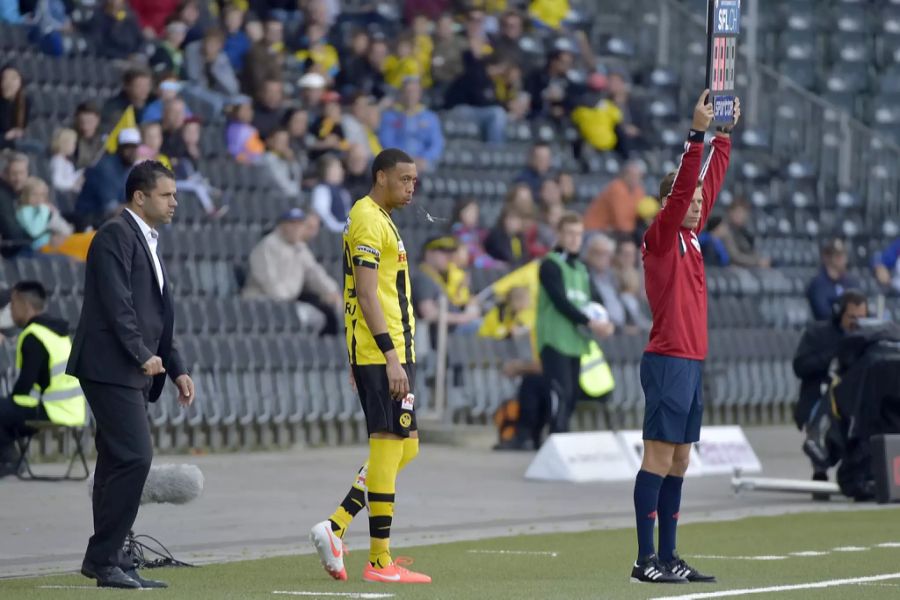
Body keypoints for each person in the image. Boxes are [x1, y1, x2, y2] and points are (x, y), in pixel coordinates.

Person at [68, 160, 194, 590]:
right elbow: (117, 304)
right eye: (166, 194)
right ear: (140, 197)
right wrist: (142, 353)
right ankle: (105, 556)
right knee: (136, 456)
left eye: (174, 194)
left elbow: (155, 313)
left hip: (132, 367)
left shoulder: (147, 239)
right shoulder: (114, 235)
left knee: (115, 462)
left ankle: (108, 556)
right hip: (110, 365)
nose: (174, 201)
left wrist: (175, 367)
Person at [309, 148, 431, 585]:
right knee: (386, 446)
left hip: (388, 351)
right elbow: (363, 292)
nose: (411, 186)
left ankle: (336, 526)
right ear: (380, 177)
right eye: (404, 178)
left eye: (414, 179)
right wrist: (385, 356)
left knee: (406, 446)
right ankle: (380, 559)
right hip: (384, 354)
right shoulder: (365, 218)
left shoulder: (382, 217)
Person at [631, 90, 738, 584]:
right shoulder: (660, 237)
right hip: (668, 358)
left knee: (679, 460)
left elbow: (708, 181)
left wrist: (724, 137)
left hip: (690, 361)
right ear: (668, 202)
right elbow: (684, 192)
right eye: (687, 200)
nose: (696, 205)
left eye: (698, 202)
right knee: (658, 457)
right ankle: (644, 560)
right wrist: (697, 136)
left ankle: (670, 556)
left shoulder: (693, 236)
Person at [537, 212, 615, 435]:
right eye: (569, 233)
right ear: (559, 234)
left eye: (578, 234)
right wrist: (591, 322)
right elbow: (561, 302)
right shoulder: (549, 265)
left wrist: (605, 322)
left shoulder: (581, 268)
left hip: (576, 342)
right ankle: (555, 438)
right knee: (560, 393)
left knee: (571, 395)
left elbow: (595, 299)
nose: (574, 239)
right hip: (554, 340)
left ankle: (561, 439)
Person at [0, 281, 86, 477]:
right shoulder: (57, 333)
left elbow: (25, 385)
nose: (10, 311)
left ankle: (10, 461)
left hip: (51, 409)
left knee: (4, 410)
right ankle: (12, 459)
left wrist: (9, 403)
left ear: (24, 305)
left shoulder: (33, 335)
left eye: (12, 305)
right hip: (72, 410)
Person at [793, 289, 867, 495]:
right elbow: (800, 366)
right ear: (839, 314)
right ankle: (820, 469)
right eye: (852, 317)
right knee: (826, 409)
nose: (857, 323)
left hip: (856, 401)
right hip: (821, 398)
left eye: (862, 318)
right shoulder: (817, 334)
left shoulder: (869, 338)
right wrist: (836, 353)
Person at [242, 209, 341, 336]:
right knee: (299, 319)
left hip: (288, 304)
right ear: (282, 225)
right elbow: (268, 281)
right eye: (292, 224)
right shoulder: (267, 245)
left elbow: (314, 273)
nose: (296, 228)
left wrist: (331, 290)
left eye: (299, 224)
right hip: (261, 302)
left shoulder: (300, 248)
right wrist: (287, 305)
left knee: (321, 318)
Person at [412, 235, 482, 342]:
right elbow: (428, 313)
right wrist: (463, 318)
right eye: (443, 252)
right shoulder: (423, 278)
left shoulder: (437, 277)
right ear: (429, 253)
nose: (449, 257)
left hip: (450, 337)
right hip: (441, 340)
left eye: (450, 253)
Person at [75, 128, 141, 230]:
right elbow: (111, 208)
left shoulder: (129, 168)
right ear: (119, 148)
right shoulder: (107, 167)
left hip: (105, 221)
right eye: (128, 147)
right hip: (88, 220)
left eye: (135, 147)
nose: (132, 152)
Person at [583, 160, 646, 236]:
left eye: (637, 176)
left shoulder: (638, 190)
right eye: (631, 175)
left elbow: (640, 214)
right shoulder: (616, 187)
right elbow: (621, 222)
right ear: (624, 175)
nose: (634, 179)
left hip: (613, 230)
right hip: (595, 229)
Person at [807, 238, 859, 321]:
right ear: (826, 257)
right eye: (837, 256)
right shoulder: (818, 284)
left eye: (843, 255)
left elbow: (859, 307)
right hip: (826, 330)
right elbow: (822, 313)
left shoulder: (851, 282)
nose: (842, 260)